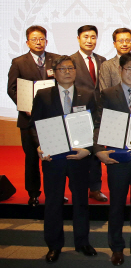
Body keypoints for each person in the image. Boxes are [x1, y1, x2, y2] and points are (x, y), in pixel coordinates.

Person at [32, 56, 98, 263]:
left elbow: (95, 125)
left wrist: (88, 149)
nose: (67, 72)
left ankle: (82, 242)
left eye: (71, 68)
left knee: (81, 201)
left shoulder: (87, 94)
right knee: (53, 202)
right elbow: (35, 125)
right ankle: (54, 245)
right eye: (62, 69)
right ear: (54, 72)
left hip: (79, 157)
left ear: (76, 71)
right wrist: (39, 145)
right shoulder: (43, 95)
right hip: (54, 157)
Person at [94, 53, 131, 266]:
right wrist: (98, 149)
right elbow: (99, 122)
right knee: (117, 204)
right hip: (118, 158)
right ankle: (117, 248)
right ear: (120, 70)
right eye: (129, 69)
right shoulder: (108, 94)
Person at [7, 25, 59, 206]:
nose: (39, 42)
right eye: (34, 39)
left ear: (46, 40)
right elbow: (11, 89)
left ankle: (55, 192)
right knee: (31, 159)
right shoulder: (19, 62)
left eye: (42, 38)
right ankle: (33, 194)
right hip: (28, 119)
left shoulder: (57, 60)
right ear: (27, 41)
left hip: (52, 118)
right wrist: (25, 106)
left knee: (53, 157)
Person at [70, 25, 108, 203]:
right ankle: (77, 188)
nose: (89, 40)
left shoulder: (103, 60)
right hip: (78, 113)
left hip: (98, 112)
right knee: (79, 151)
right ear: (78, 38)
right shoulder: (70, 61)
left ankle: (95, 188)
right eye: (86, 37)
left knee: (96, 151)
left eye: (93, 37)